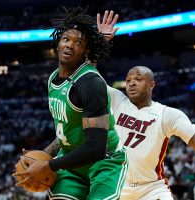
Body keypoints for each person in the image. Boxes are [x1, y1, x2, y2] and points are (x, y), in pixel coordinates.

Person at [12, 7, 128, 200]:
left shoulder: (91, 84)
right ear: (57, 43)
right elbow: (65, 132)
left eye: (78, 42)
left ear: (85, 50)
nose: (69, 45)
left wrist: (48, 165)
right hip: (71, 161)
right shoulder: (53, 79)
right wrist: (42, 154)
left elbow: (95, 148)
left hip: (104, 162)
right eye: (66, 39)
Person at [107, 66, 195, 200]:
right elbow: (88, 79)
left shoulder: (167, 114)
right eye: (128, 80)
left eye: (138, 79)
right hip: (116, 185)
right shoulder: (117, 99)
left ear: (151, 84)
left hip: (151, 189)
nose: (132, 83)